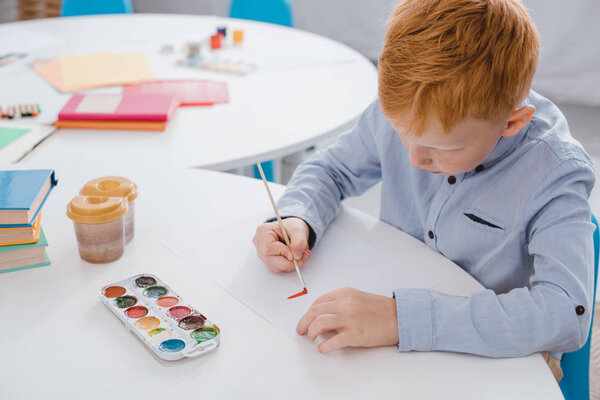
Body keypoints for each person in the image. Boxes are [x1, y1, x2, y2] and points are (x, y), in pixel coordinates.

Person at [252, 0, 595, 380]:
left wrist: (401, 319)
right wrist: (298, 215)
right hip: (394, 315)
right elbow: (332, 169)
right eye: (403, 135)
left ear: (512, 122)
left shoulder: (555, 173)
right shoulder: (406, 106)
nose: (414, 159)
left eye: (442, 149)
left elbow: (564, 312)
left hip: (495, 357)